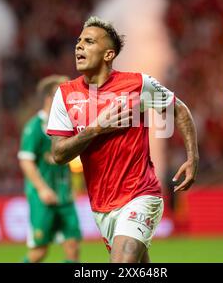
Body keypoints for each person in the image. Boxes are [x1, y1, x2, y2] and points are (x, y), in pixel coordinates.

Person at [47, 16, 199, 263]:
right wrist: (96, 129)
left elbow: (179, 110)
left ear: (108, 55)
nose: (79, 46)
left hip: (141, 194)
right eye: (78, 41)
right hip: (102, 206)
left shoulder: (138, 84)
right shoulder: (65, 95)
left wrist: (193, 157)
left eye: (89, 41)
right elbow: (59, 154)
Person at [18, 75, 82, 263]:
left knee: (73, 248)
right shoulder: (34, 127)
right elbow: (26, 161)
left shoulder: (68, 124)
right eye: (61, 95)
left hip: (65, 196)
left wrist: (73, 185)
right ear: (49, 99)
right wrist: (42, 188)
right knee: (39, 252)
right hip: (43, 198)